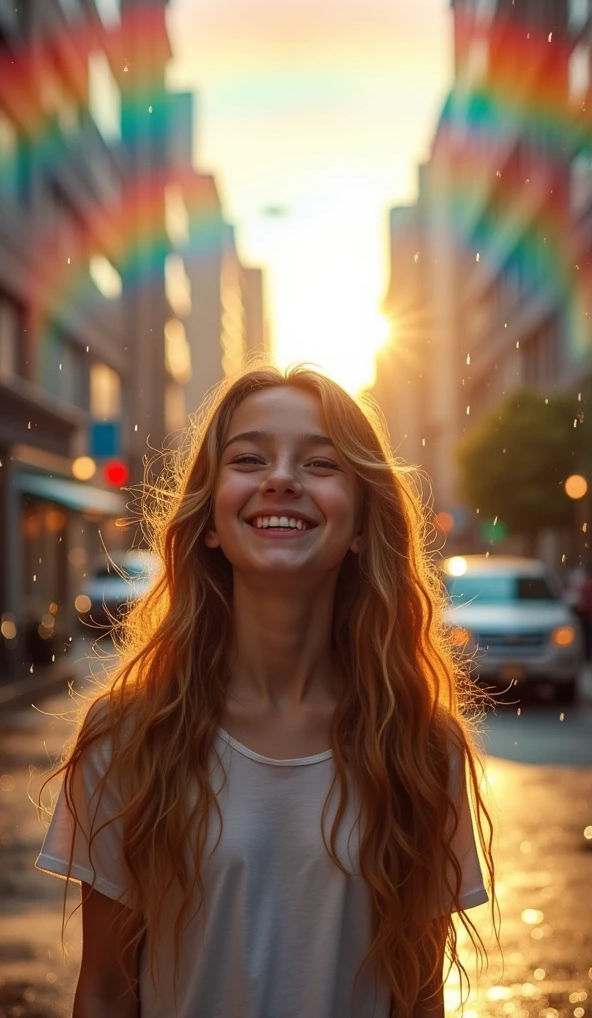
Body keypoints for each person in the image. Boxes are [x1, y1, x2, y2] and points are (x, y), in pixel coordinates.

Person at [36, 363, 496, 1018]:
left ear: (363, 526)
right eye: (249, 458)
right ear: (212, 521)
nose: (281, 479)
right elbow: (108, 993)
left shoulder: (421, 743)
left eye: (321, 463)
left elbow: (419, 999)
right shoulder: (127, 733)